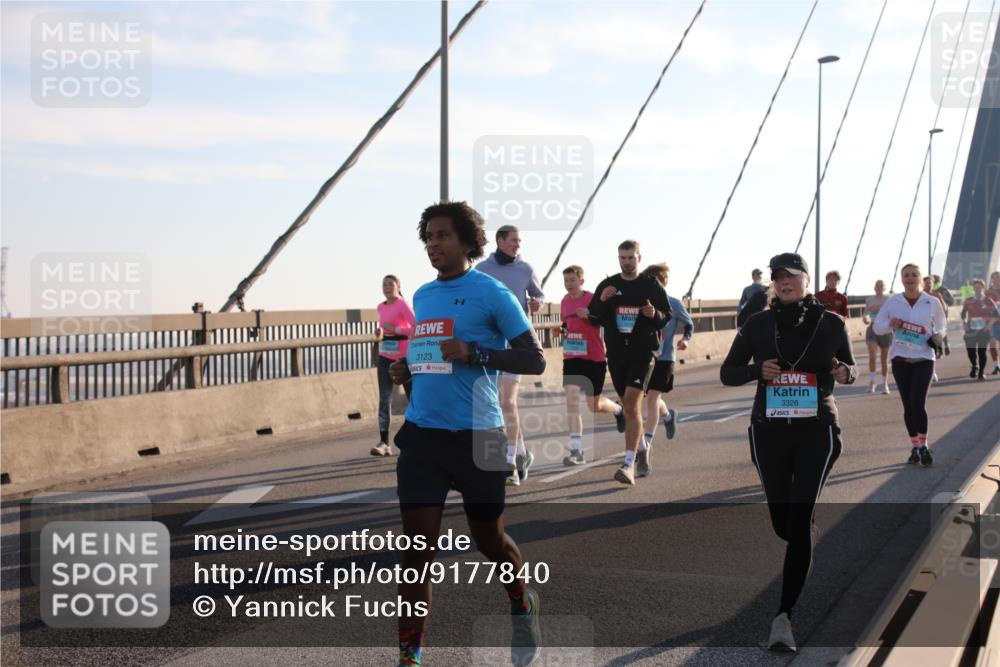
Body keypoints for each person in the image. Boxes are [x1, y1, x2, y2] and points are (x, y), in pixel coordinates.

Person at [388, 202, 545, 667]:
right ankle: (410, 654)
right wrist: (406, 369)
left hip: (481, 433)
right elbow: (432, 357)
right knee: (416, 547)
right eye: (428, 238)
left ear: (466, 243)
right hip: (423, 437)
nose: (433, 245)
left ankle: (521, 601)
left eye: (441, 236)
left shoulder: (493, 293)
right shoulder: (421, 295)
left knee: (489, 540)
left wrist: (475, 352)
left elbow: (533, 360)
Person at [720, 252, 856, 653]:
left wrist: (844, 373)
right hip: (769, 432)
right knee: (785, 523)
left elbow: (851, 368)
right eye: (778, 277)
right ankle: (804, 528)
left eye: (792, 276)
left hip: (818, 430)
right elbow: (728, 372)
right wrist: (754, 371)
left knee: (797, 524)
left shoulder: (832, 324)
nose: (784, 282)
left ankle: (783, 618)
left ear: (807, 281)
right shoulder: (757, 324)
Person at [587, 240, 671, 485]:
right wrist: (602, 300)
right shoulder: (608, 285)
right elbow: (593, 316)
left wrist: (654, 314)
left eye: (630, 257)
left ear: (639, 258)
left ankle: (628, 465)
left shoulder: (650, 285)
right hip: (616, 354)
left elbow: (667, 316)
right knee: (626, 403)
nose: (626, 262)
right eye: (622, 258)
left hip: (642, 353)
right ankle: (642, 447)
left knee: (632, 405)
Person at [476, 225, 544, 487]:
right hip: (490, 344)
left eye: (519, 240)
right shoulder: (482, 269)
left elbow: (538, 295)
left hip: (517, 343)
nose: (518, 244)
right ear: (500, 241)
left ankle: (509, 463)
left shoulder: (525, 269)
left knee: (507, 402)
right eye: (514, 240)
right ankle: (523, 454)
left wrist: (536, 302)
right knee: (495, 404)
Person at [873, 263, 947, 467]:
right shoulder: (892, 302)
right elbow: (878, 327)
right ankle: (915, 445)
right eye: (906, 275)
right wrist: (890, 324)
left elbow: (942, 324)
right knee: (908, 406)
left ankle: (923, 445)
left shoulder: (931, 301)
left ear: (921, 278)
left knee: (917, 403)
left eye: (914, 275)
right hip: (900, 360)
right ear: (901, 279)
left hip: (924, 358)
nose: (910, 278)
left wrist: (939, 335)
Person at [559, 265, 626, 465]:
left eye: (572, 280)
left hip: (593, 358)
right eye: (565, 281)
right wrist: (561, 331)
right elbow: (566, 325)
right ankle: (577, 450)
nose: (568, 284)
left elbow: (604, 320)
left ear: (581, 281)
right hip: (572, 356)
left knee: (594, 405)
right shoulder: (564, 301)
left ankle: (618, 410)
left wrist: (588, 315)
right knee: (571, 401)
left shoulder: (591, 299)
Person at [639, 263, 693, 478]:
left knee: (652, 398)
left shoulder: (673, 303)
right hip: (645, 358)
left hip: (665, 358)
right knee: (652, 398)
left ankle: (647, 444)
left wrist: (686, 340)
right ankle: (668, 416)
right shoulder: (641, 305)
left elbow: (689, 325)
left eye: (658, 283)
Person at [373, 275, 415, 456]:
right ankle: (384, 443)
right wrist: (380, 331)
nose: (387, 287)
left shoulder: (403, 304)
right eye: (384, 284)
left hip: (404, 357)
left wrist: (397, 330)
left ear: (398, 286)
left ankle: (417, 437)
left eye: (391, 284)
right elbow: (385, 327)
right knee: (384, 399)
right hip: (384, 355)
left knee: (413, 398)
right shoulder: (380, 307)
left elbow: (416, 327)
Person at [960, 279, 997, 381]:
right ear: (973, 289)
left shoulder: (988, 300)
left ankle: (981, 372)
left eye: (979, 287)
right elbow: (963, 314)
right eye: (976, 288)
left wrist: (988, 325)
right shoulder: (968, 300)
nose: (977, 289)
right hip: (970, 330)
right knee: (970, 351)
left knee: (982, 351)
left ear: (983, 288)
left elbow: (996, 315)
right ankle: (974, 366)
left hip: (983, 331)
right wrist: (964, 324)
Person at [862, 280, 892, 394]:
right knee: (872, 356)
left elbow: (893, 313)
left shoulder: (889, 300)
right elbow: (866, 312)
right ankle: (872, 381)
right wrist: (865, 318)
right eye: (877, 286)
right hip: (872, 328)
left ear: (884, 288)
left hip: (885, 329)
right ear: (874, 288)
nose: (879, 287)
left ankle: (884, 384)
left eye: (881, 286)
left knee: (884, 359)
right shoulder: (870, 300)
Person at [930, 274, 954, 356]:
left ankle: (940, 350)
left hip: (937, 313)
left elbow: (950, 301)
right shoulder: (943, 290)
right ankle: (945, 346)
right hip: (940, 313)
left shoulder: (926, 290)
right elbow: (951, 301)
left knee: (936, 330)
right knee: (940, 329)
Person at [987, 271, 1000, 375]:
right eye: (994, 277)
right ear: (991, 279)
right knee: (992, 343)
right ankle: (996, 365)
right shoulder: (988, 293)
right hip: (994, 322)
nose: (997, 279)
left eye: (998, 277)